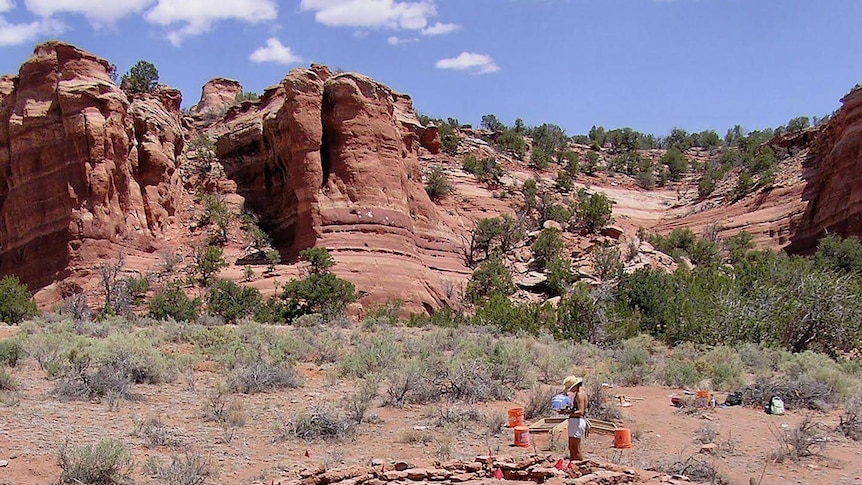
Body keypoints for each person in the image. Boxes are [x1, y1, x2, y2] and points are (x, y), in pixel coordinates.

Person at [561, 375, 588, 461]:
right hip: (576, 421)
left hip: (577, 422)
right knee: (572, 447)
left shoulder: (579, 395)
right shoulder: (582, 392)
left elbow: (581, 411)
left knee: (574, 448)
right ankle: (574, 466)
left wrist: (566, 412)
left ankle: (578, 466)